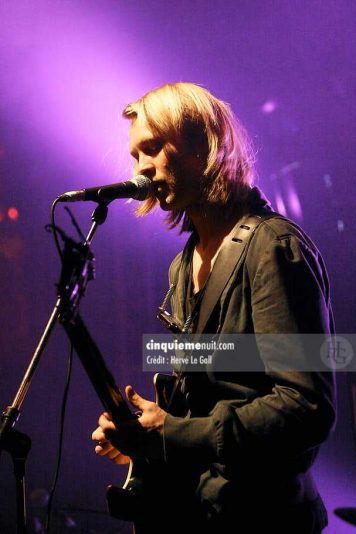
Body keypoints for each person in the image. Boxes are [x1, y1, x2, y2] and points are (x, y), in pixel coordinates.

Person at [91, 82, 336, 533]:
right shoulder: (182, 266)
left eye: (152, 148)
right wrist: (144, 439)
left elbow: (306, 407)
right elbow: (215, 394)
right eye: (134, 155)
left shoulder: (274, 248)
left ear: (204, 144)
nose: (141, 167)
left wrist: (171, 432)